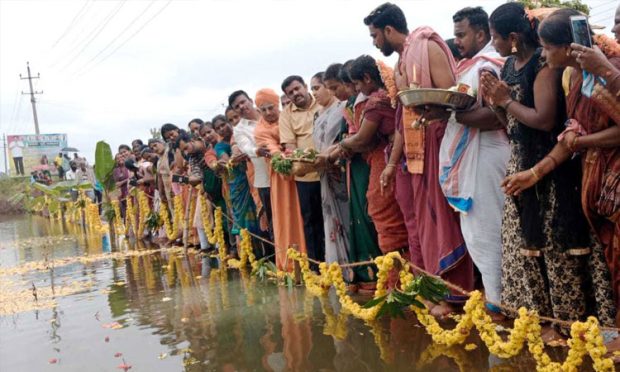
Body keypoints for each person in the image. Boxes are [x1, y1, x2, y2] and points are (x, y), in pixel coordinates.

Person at [480, 4, 616, 335]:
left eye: (550, 47)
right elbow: (568, 134)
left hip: (606, 174)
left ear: (569, 47)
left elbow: (559, 130)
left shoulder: (601, 72)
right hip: (589, 177)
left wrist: (580, 143)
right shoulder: (573, 77)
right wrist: (534, 172)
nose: (545, 53)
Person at [364, 2, 474, 315]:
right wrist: (390, 163)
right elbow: (403, 117)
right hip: (412, 153)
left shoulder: (426, 46)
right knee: (420, 226)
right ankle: (434, 289)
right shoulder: (401, 63)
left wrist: (431, 112)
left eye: (375, 36)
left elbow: (450, 95)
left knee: (442, 221)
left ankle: (457, 296)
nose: (374, 43)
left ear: (388, 30)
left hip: (437, 142)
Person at [438, 6, 509, 313]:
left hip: (488, 156)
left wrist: (451, 112)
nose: (457, 42)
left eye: (461, 34)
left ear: (481, 34)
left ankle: (499, 305)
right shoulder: (470, 66)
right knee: (477, 233)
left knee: (487, 232)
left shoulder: (489, 65)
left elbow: (497, 116)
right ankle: (497, 299)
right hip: (475, 159)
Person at [325, 56, 409, 256]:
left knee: (383, 211)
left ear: (367, 79)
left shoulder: (376, 102)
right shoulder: (381, 96)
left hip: (387, 158)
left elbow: (362, 139)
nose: (354, 90)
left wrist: (341, 145)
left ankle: (397, 275)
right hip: (392, 156)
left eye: (355, 84)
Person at [324, 62, 382, 285]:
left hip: (367, 163)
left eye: (336, 87)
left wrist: (336, 151)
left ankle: (381, 272)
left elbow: (360, 138)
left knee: (370, 215)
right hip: (353, 164)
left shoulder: (371, 101)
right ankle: (365, 272)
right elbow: (344, 137)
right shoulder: (350, 103)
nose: (335, 93)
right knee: (358, 217)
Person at [254, 88, 308, 269]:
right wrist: (290, 159)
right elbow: (274, 151)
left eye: (271, 107)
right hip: (282, 177)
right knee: (288, 214)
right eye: (263, 110)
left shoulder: (290, 116)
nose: (269, 113)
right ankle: (293, 263)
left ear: (277, 105)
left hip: (306, 170)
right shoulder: (260, 130)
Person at [280, 75, 325, 264]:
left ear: (305, 86)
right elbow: (289, 146)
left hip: (330, 170)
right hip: (306, 176)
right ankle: (316, 265)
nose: (295, 94)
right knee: (312, 221)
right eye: (290, 93)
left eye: (297, 89)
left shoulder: (322, 101)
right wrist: (305, 159)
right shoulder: (286, 114)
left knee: (335, 218)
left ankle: (340, 262)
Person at [310, 72, 351, 267]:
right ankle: (339, 266)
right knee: (331, 217)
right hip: (324, 172)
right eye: (312, 89)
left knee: (347, 215)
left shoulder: (342, 108)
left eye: (317, 88)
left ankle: (355, 265)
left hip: (341, 169)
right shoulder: (317, 116)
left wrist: (328, 156)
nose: (314, 93)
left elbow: (345, 139)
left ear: (328, 87)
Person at [229, 90, 272, 239]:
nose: (241, 106)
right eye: (237, 106)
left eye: (243, 102)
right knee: (272, 221)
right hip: (265, 181)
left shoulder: (269, 114)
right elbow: (246, 147)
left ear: (250, 100)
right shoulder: (239, 129)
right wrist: (257, 151)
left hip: (285, 174)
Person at [213, 115, 259, 239]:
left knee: (259, 211)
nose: (221, 129)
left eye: (223, 124)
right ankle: (248, 249)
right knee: (242, 216)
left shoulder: (241, 133)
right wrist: (236, 156)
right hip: (237, 183)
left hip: (253, 176)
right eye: (218, 128)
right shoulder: (219, 146)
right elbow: (228, 160)